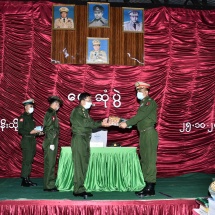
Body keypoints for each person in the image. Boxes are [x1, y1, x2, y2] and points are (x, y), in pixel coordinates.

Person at [119, 82, 158, 197]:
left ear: (147, 92)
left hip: (149, 134)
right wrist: (126, 123)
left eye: (140, 91)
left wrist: (127, 123)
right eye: (137, 91)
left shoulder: (149, 102)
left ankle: (151, 187)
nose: (138, 93)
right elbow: (141, 120)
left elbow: (139, 117)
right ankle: (146, 184)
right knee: (144, 160)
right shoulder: (143, 104)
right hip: (143, 133)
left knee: (150, 160)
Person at [70, 92, 110, 198]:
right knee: (79, 164)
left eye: (91, 100)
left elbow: (91, 122)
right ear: (82, 101)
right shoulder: (77, 111)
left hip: (85, 139)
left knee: (84, 163)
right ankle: (78, 190)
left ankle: (80, 187)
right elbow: (85, 124)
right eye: (89, 100)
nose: (91, 103)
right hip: (79, 138)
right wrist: (101, 123)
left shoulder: (85, 112)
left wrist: (102, 122)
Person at [18, 98, 43, 187]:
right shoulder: (22, 117)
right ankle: (24, 179)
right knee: (27, 160)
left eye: (33, 106)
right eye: (31, 106)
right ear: (25, 107)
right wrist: (30, 132)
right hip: (27, 140)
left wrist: (39, 133)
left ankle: (27, 178)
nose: (32, 108)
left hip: (32, 140)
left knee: (30, 160)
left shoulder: (31, 118)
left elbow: (33, 130)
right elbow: (20, 130)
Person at [42, 96, 63, 192]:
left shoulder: (52, 113)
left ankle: (50, 184)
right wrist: (51, 142)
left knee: (52, 163)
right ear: (54, 104)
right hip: (51, 141)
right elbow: (49, 128)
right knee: (50, 164)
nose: (58, 106)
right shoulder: (50, 113)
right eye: (58, 104)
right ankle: (48, 186)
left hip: (53, 140)